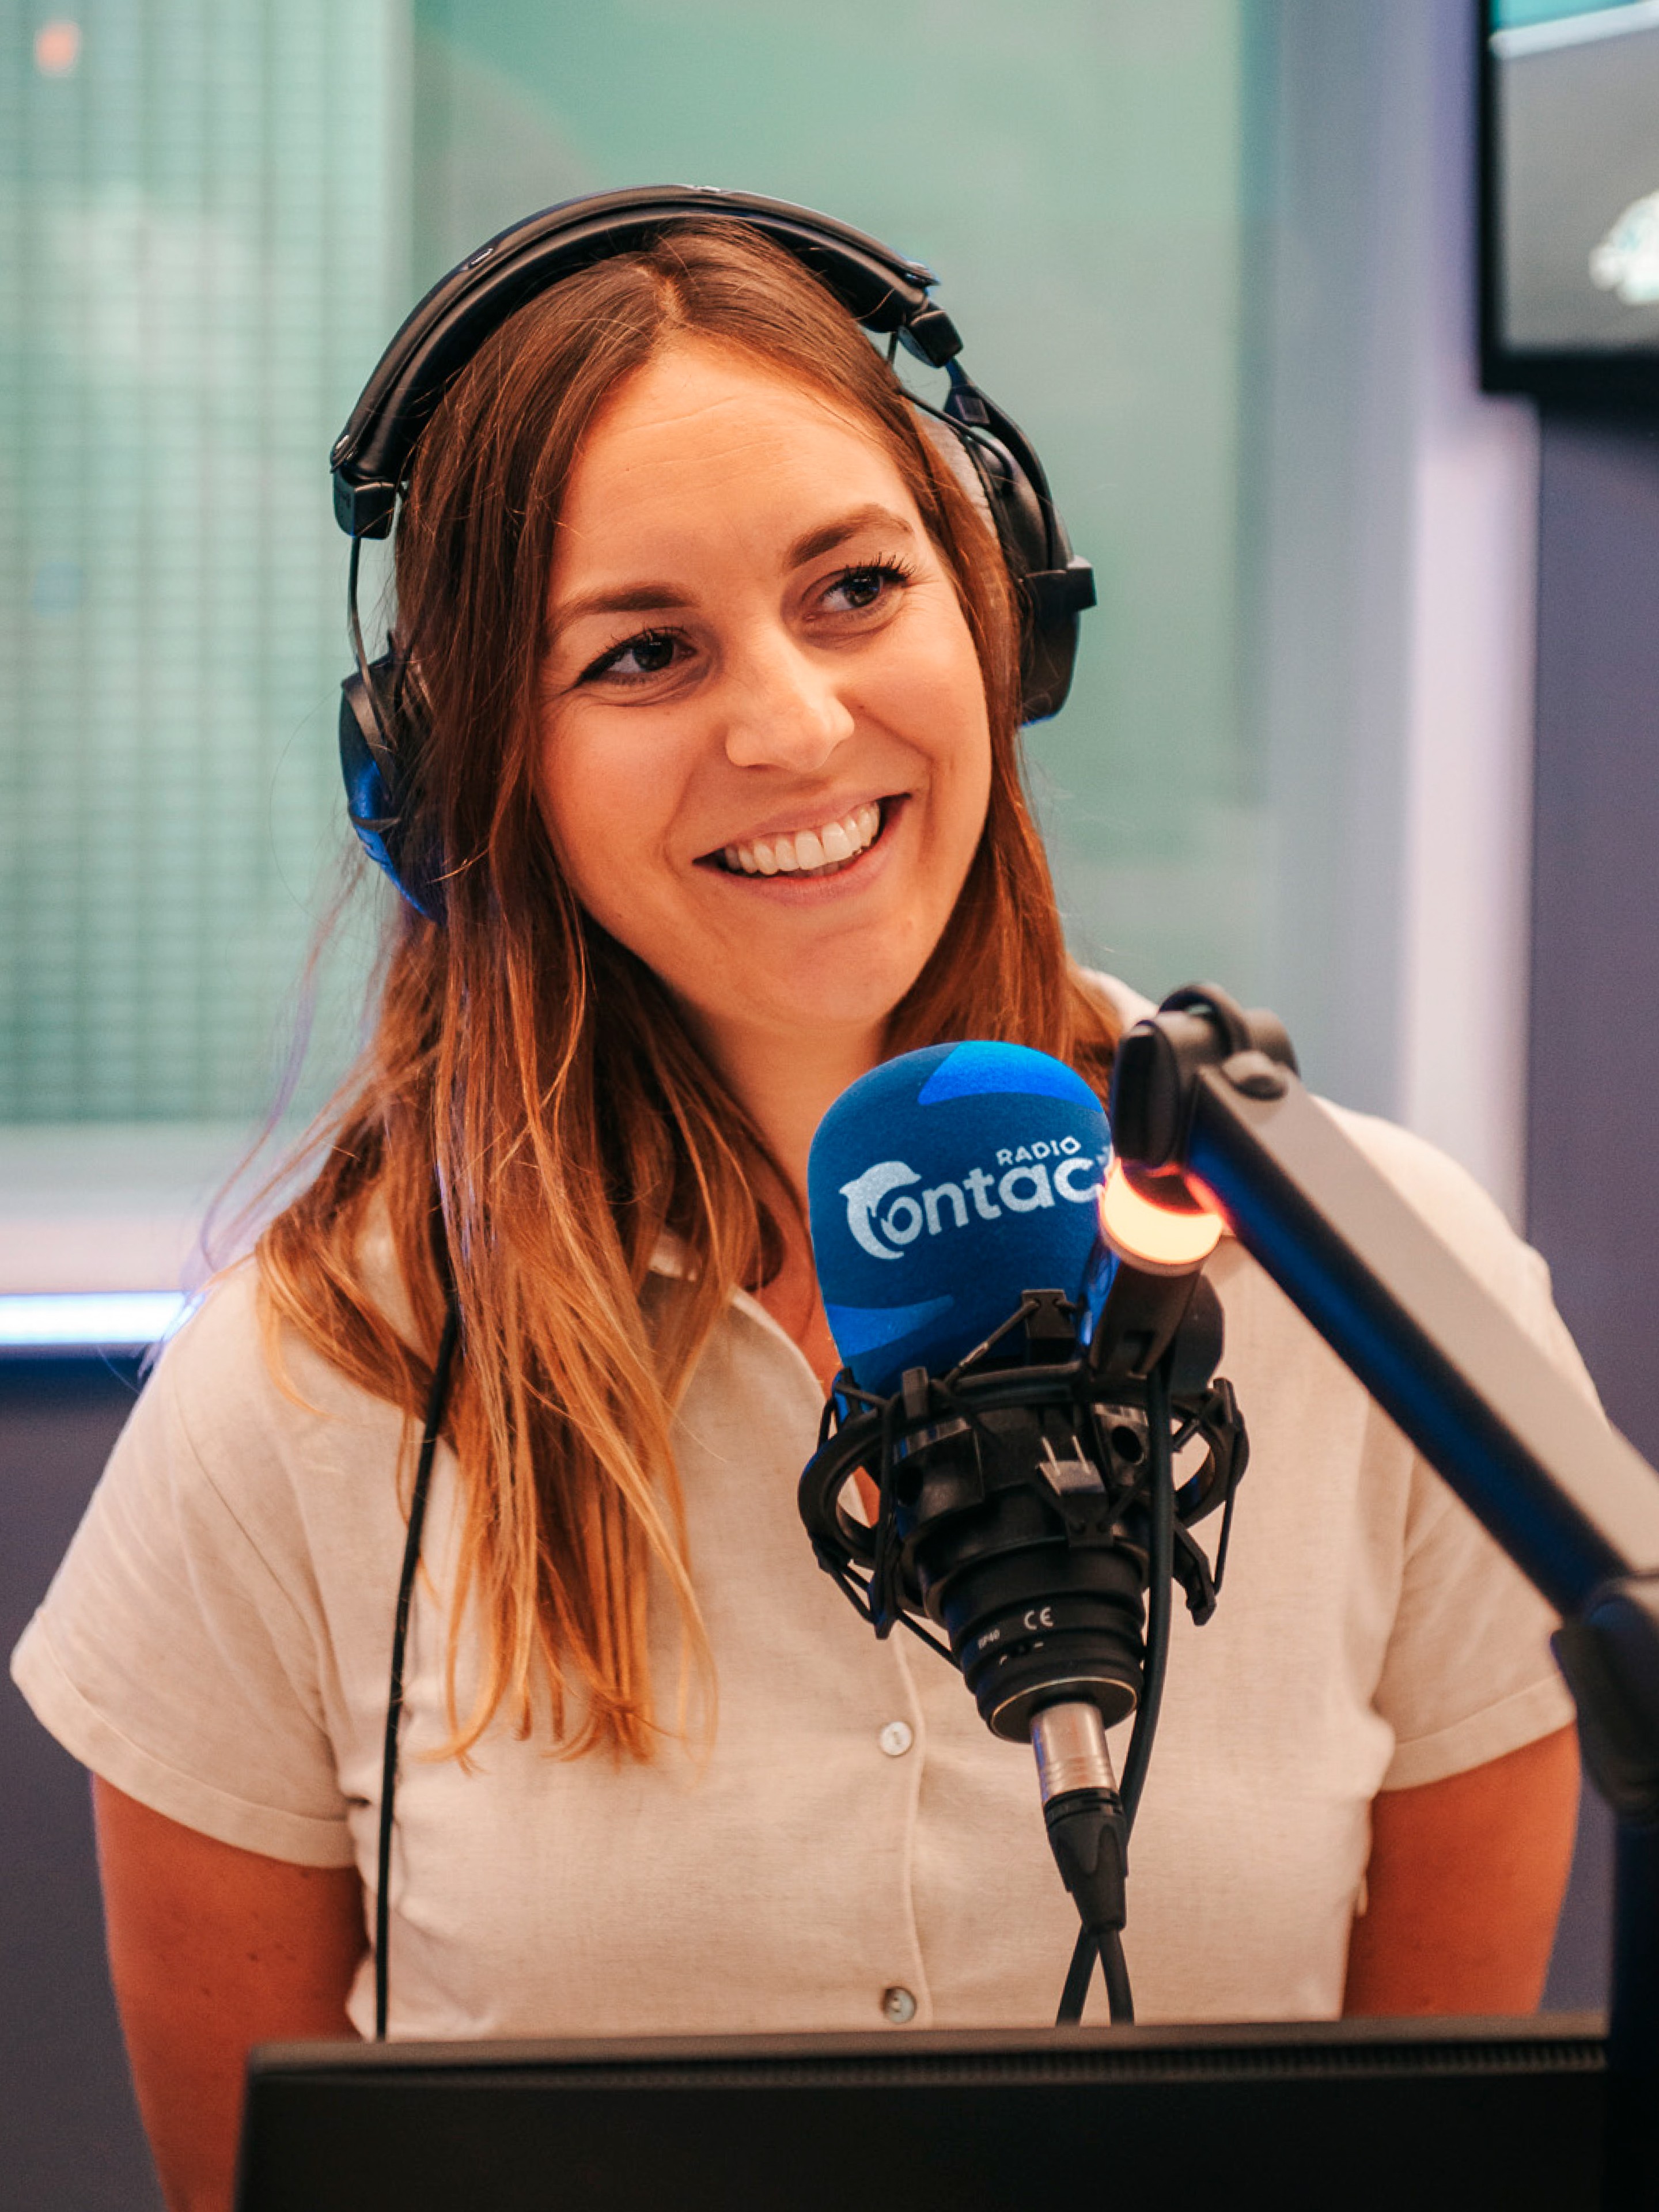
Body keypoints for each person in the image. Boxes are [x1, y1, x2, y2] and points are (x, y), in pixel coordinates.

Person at [12, 203, 1584, 2212]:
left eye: (855, 589)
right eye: (643, 652)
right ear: (468, 764)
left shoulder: (1386, 1292)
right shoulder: (305, 1392)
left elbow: (1440, 2159)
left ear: (998, 615)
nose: (794, 727)